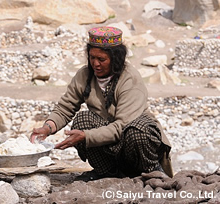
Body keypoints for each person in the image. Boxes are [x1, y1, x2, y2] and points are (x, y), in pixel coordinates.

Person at [30, 26, 173, 181]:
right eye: (92, 57)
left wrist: (86, 136)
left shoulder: (129, 79)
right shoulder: (84, 75)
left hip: (131, 139)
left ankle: (151, 172)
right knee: (82, 120)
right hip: (109, 141)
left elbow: (122, 126)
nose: (95, 64)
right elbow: (66, 107)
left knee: (138, 131)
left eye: (102, 59)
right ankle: (109, 173)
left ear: (116, 59)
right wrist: (48, 127)